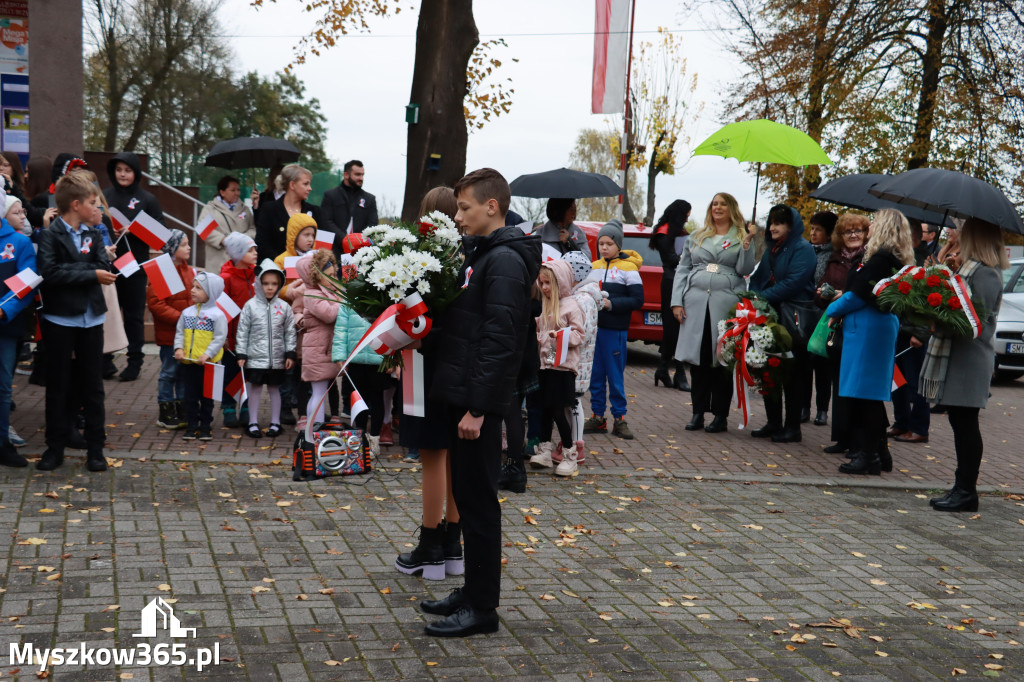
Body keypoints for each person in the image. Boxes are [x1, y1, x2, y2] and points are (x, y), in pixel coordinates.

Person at [419, 168, 540, 638]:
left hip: (477, 402)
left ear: (492, 206)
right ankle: (471, 593)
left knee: (479, 505)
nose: (458, 216)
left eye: (464, 207)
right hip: (464, 394)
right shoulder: (485, 254)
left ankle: (483, 610)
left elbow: (500, 341)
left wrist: (479, 408)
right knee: (467, 501)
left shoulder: (505, 261)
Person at [395, 188, 463, 576]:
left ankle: (430, 546)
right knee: (451, 454)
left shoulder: (418, 262)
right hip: (455, 367)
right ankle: (453, 546)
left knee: (432, 456)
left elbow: (411, 321)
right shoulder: (463, 258)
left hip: (422, 365)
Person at [36, 172, 117, 472]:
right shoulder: (49, 235)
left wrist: (87, 271)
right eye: (93, 203)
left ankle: (96, 449)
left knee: (92, 386)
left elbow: (101, 262)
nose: (97, 208)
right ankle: (54, 448)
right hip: (60, 319)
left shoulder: (94, 234)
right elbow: (50, 273)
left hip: (91, 318)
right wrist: (90, 275)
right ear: (76, 204)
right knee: (58, 384)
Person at [825, 209, 914, 476]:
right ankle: (879, 453)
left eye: (875, 221)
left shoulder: (880, 260)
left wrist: (833, 309)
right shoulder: (888, 258)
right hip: (870, 328)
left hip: (868, 329)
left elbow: (859, 295)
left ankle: (869, 455)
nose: (870, 225)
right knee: (869, 396)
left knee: (867, 396)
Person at [927, 219, 1005, 512]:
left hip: (970, 359)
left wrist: (944, 315)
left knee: (966, 424)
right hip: (961, 356)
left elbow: (978, 324)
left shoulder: (985, 274)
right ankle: (961, 487)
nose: (959, 237)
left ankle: (966, 491)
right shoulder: (971, 269)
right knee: (960, 422)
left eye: (965, 234)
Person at [671, 193, 756, 433]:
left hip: (725, 304)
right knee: (698, 361)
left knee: (721, 360)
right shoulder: (696, 237)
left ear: (731, 209)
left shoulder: (741, 236)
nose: (717, 207)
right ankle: (697, 412)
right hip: (696, 303)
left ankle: (720, 415)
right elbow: (683, 269)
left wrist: (748, 242)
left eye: (722, 204)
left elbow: (744, 269)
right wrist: (677, 301)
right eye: (714, 204)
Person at [748, 205, 817, 443]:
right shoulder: (772, 249)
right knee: (769, 368)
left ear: (792, 225)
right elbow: (757, 278)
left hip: (793, 316)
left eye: (780, 223)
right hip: (770, 316)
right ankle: (773, 422)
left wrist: (763, 298)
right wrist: (754, 295)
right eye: (772, 222)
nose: (774, 227)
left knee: (793, 374)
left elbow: (794, 282)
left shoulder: (803, 249)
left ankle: (792, 427)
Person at [103, 152, 165, 382]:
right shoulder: (104, 196)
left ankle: (134, 362)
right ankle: (105, 360)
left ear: (136, 172)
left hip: (135, 267)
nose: (122, 174)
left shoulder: (147, 199)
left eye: (127, 170)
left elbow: (161, 233)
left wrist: (136, 228)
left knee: (133, 316)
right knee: (108, 313)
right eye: (119, 169)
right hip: (107, 266)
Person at [583, 219, 643, 440]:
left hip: (615, 331)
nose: (604, 248)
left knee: (615, 376)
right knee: (595, 375)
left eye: (609, 243)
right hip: (595, 331)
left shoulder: (629, 269)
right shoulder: (594, 267)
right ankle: (598, 416)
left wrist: (612, 304)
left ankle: (620, 418)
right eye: (601, 244)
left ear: (618, 244)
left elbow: (637, 300)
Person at [528, 260, 585, 476]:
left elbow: (579, 335)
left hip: (562, 368)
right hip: (545, 366)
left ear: (559, 282)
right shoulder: (546, 305)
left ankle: (570, 454)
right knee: (544, 408)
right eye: (541, 283)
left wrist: (560, 336)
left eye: (548, 284)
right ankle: (545, 449)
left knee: (558, 410)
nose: (544, 288)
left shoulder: (571, 305)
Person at [817, 214, 869, 453]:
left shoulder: (868, 259)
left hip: (859, 326)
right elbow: (821, 287)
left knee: (856, 383)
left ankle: (858, 440)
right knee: (838, 381)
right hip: (836, 328)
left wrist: (844, 295)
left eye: (859, 230)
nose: (854, 235)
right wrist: (825, 293)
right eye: (849, 231)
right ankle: (841, 437)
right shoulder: (834, 259)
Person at [236, 260, 296, 439]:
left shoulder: (284, 307)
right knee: (254, 388)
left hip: (277, 358)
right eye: (266, 283)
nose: (270, 287)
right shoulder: (250, 306)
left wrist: (290, 353)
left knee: (274, 388)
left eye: (274, 284)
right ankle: (252, 422)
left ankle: (276, 422)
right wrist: (241, 353)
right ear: (258, 283)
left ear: (280, 284)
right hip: (254, 357)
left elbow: (290, 332)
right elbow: (242, 331)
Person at [0, 192, 36, 467]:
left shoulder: (20, 242)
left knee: (2, 389)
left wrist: (2, 309)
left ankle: (2, 444)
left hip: (5, 327)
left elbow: (25, 284)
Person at [147, 230, 195, 430]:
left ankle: (182, 409)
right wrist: (182, 319)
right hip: (170, 334)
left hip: (187, 333)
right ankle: (165, 411)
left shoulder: (188, 270)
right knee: (169, 373)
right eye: (184, 245)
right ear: (173, 249)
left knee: (183, 372)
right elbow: (156, 304)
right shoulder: (162, 270)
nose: (189, 248)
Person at [889, 218, 931, 444]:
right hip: (899, 327)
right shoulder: (904, 260)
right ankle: (901, 422)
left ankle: (919, 427)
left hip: (913, 332)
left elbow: (928, 303)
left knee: (915, 383)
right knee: (898, 381)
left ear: (913, 237)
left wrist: (921, 333)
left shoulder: (925, 264)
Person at [174, 272, 227, 441]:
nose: (192, 290)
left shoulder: (218, 315)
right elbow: (180, 333)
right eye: (193, 286)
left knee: (207, 398)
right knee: (189, 397)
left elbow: (219, 338)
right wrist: (178, 348)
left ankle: (205, 426)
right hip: (189, 364)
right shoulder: (186, 313)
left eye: (199, 288)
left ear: (211, 292)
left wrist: (208, 354)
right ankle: (191, 425)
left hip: (208, 365)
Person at [650, 200, 692, 391]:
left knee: (677, 327)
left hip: (682, 283)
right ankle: (679, 372)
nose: (688, 218)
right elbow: (670, 259)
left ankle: (663, 368)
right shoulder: (663, 232)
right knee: (672, 329)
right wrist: (688, 257)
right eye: (687, 214)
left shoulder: (678, 233)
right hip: (670, 283)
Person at [295, 250, 340, 428]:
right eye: (329, 275)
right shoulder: (312, 294)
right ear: (316, 276)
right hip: (318, 350)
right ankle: (314, 430)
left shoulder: (327, 291)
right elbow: (329, 314)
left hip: (324, 349)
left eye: (335, 274)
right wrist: (343, 302)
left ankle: (317, 429)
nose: (334, 278)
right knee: (319, 392)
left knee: (321, 392)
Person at [219, 232, 258, 427]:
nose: (255, 253)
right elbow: (220, 310)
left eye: (255, 249)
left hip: (251, 337)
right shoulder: (225, 278)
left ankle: (245, 406)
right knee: (230, 371)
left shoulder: (255, 275)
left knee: (248, 372)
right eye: (250, 250)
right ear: (237, 253)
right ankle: (227, 406)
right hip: (231, 338)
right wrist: (224, 335)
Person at [805, 211, 838, 425]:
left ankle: (822, 409)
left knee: (822, 363)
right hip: (805, 311)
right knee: (804, 363)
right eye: (812, 228)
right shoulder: (805, 250)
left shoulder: (834, 255)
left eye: (818, 229)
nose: (813, 233)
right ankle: (803, 407)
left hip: (824, 313)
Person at [255, 164, 320, 262]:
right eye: (305, 184)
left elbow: (323, 244)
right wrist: (282, 264)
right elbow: (262, 244)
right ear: (292, 185)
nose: (310, 188)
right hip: (277, 271)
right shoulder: (269, 209)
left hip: (308, 271)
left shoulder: (315, 211)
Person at [199, 175, 256, 274]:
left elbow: (253, 228)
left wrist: (243, 239)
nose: (237, 193)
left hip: (241, 264)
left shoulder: (245, 209)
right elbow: (203, 230)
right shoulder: (210, 209)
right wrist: (224, 240)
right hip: (218, 262)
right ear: (222, 192)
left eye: (238, 190)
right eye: (233, 190)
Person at [320, 160, 378, 245]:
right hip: (335, 249)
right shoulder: (330, 196)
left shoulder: (370, 199)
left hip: (361, 250)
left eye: (362, 175)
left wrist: (358, 241)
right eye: (357, 174)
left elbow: (372, 224)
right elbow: (326, 222)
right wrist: (345, 240)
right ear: (346, 175)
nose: (361, 178)